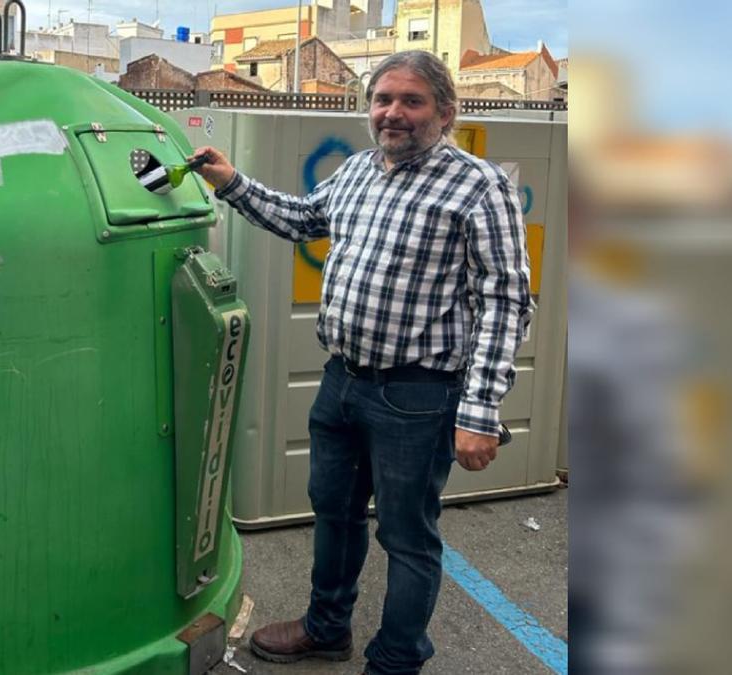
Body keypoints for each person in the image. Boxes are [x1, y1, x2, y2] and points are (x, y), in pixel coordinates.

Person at [189, 50, 534, 675]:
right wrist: (230, 181)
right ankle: (327, 629)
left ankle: (397, 659)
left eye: (411, 101)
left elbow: (506, 302)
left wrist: (480, 411)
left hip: (419, 397)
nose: (392, 113)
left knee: (407, 537)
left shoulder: (480, 187)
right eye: (382, 99)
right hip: (343, 383)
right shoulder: (357, 173)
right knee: (335, 513)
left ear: (445, 112)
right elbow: (301, 219)